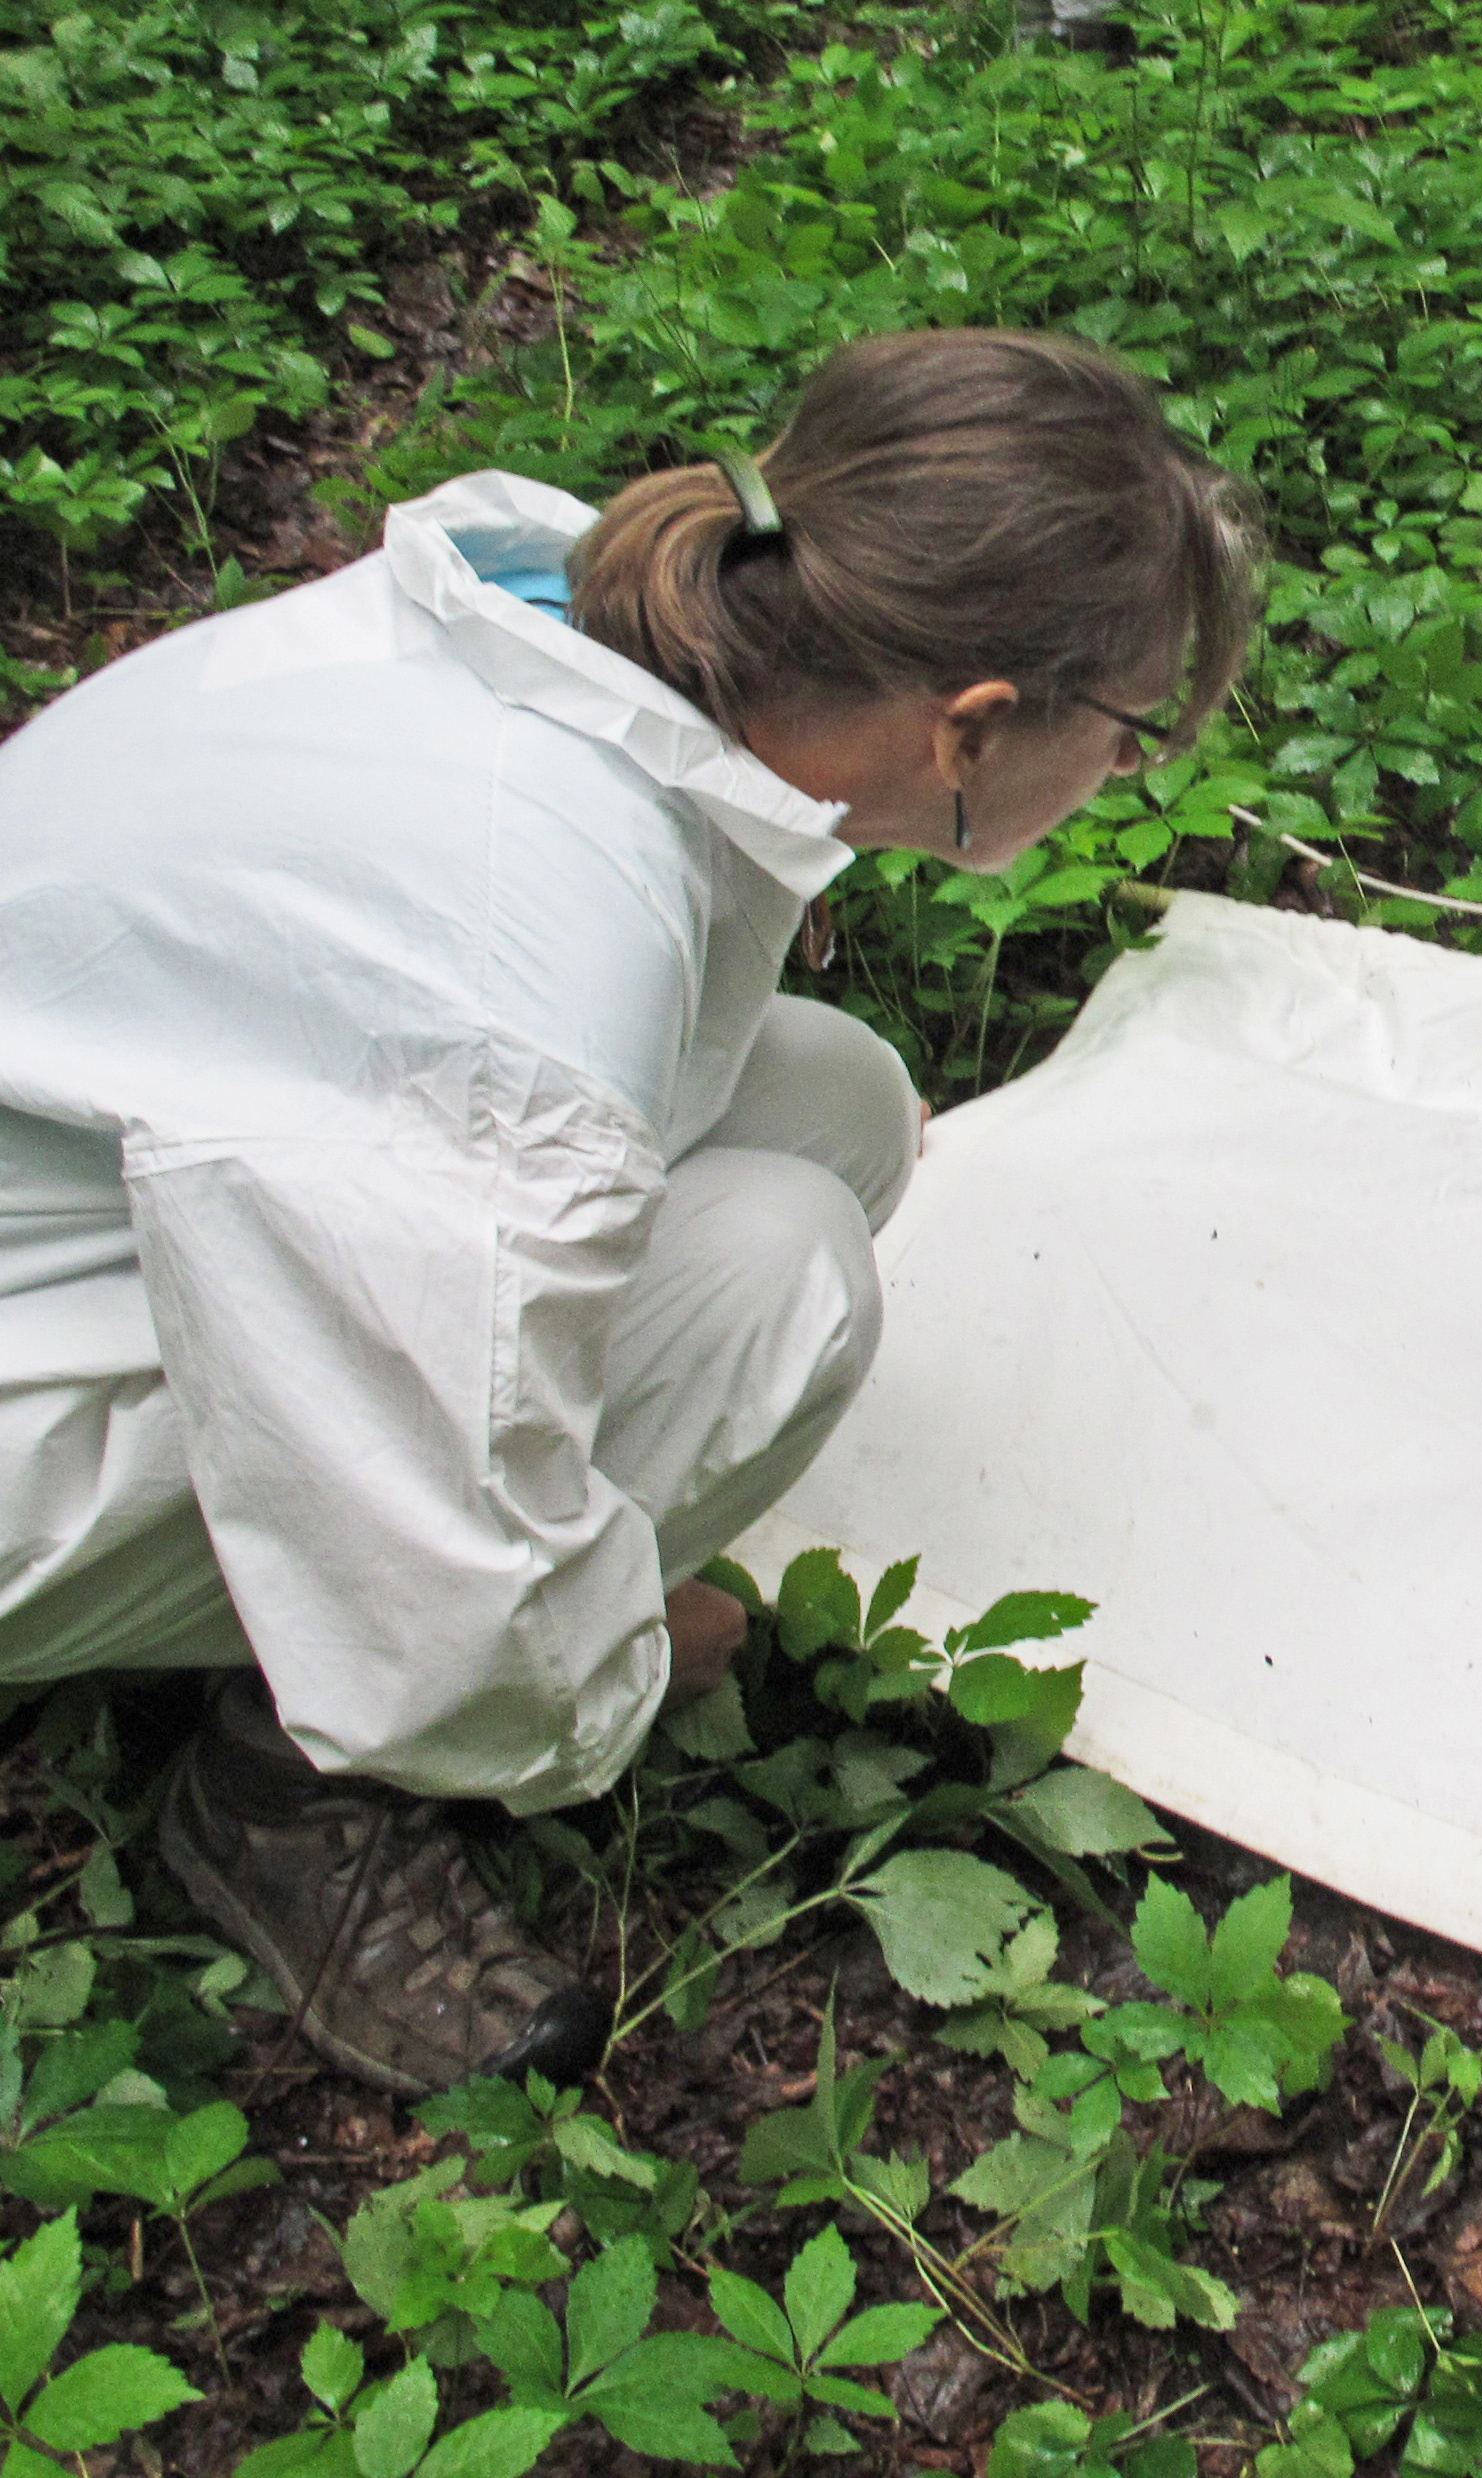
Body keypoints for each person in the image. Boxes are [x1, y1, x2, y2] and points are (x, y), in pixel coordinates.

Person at [0, 329, 1261, 2092]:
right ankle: (297, 1791)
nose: (1122, 777)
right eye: (1122, 735)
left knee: (828, 1101)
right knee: (779, 1282)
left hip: (89, 1212)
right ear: (971, 725)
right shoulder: (532, 972)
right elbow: (448, 1582)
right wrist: (592, 1661)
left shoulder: (583, 627)